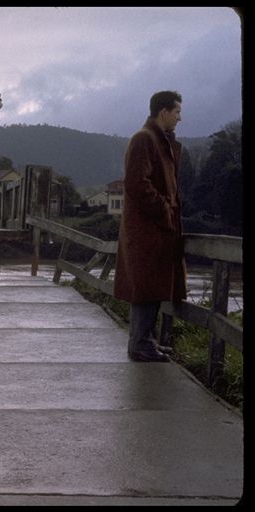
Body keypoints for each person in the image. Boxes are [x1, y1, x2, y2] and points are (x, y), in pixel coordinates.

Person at [114, 90, 187, 363]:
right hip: (147, 230)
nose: (180, 117)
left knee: (152, 286)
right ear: (163, 111)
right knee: (146, 286)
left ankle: (145, 341)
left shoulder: (159, 141)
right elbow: (136, 183)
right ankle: (140, 344)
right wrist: (164, 210)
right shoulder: (144, 139)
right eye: (177, 111)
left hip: (155, 229)